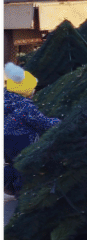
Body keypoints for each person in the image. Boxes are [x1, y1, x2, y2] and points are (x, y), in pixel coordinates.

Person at [3, 63, 59, 200]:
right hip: (22, 141)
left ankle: (7, 185)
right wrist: (59, 122)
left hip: (5, 141)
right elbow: (42, 123)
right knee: (25, 166)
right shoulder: (25, 106)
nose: (34, 92)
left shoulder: (5, 98)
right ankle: (21, 194)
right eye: (32, 89)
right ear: (25, 90)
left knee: (13, 163)